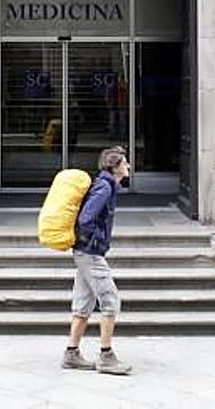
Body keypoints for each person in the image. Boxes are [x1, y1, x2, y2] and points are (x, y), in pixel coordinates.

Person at [62, 146, 132, 375]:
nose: (128, 166)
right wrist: (96, 241)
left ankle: (71, 353)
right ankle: (106, 356)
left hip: (86, 252)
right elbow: (86, 220)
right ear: (115, 167)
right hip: (90, 253)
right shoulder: (104, 187)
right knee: (110, 301)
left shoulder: (106, 185)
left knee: (83, 303)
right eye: (125, 163)